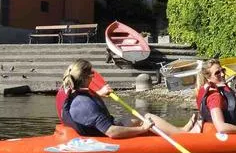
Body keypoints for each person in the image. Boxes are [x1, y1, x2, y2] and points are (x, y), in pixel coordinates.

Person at [57, 59, 196, 139]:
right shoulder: (83, 104)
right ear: (86, 77)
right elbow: (111, 132)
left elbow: (84, 105)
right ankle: (183, 134)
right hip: (105, 134)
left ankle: (179, 130)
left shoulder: (73, 93)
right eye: (91, 74)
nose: (94, 76)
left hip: (98, 128)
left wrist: (99, 93)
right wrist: (142, 129)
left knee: (140, 116)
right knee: (145, 117)